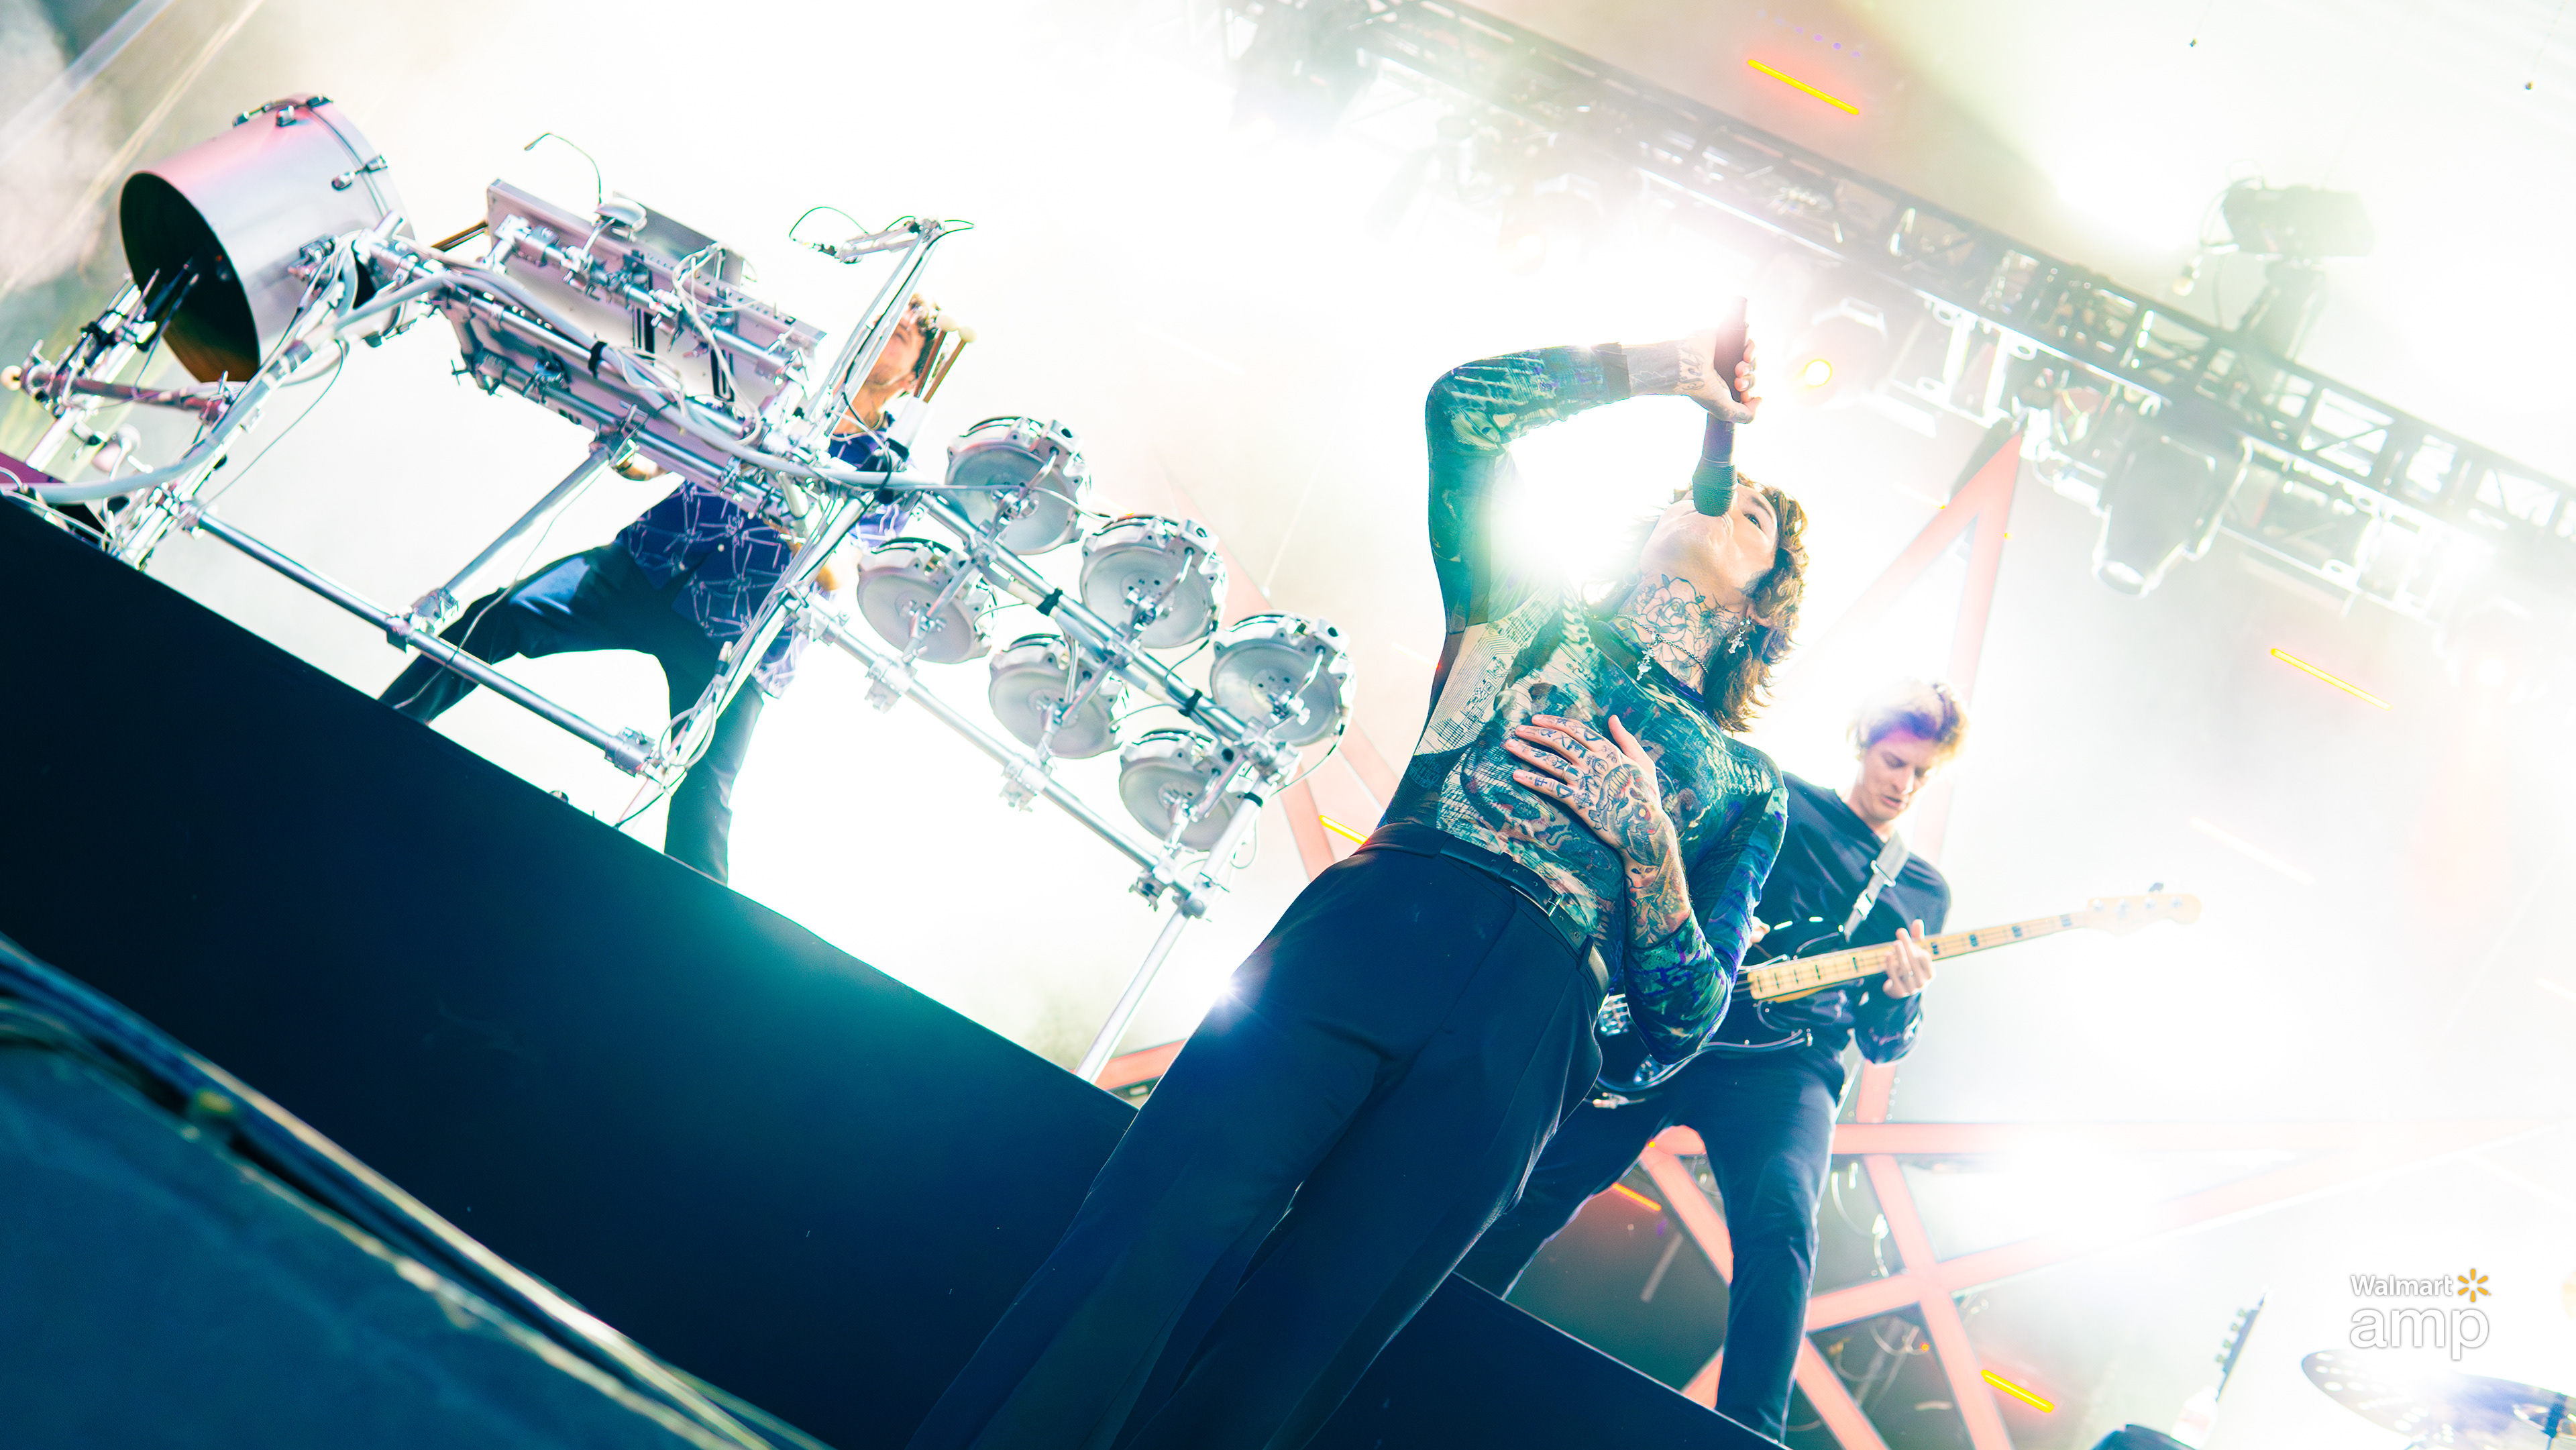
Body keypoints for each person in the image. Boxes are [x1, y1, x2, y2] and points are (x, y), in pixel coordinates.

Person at [904, 324, 1809, 1450]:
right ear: (1659, 518)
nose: (1730, 504)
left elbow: (1683, 1025)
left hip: (1533, 1029)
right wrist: (1663, 370)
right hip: (1387, 918)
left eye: (1761, 521)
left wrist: (1652, 851)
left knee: (1301, 1349)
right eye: (1717, 494)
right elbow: (1463, 410)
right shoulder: (1529, 608)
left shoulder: (1748, 786)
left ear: (1764, 604)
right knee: (1154, 1227)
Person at [1455, 678, 1968, 1440]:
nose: (1906, 784)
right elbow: (1682, 887)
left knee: (1783, 1226)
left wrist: (1902, 994)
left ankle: (1750, 1431)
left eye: (1923, 773)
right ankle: (1440, 1314)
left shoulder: (1924, 890)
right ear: (1864, 744)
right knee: (1552, 1174)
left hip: (1790, 1068)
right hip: (1695, 1017)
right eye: (1897, 762)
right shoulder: (1782, 801)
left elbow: (1883, 1042)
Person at [378, 305, 942, 882]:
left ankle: (687, 926)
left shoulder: (889, 471)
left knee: (705, 794)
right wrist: (631, 457)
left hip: (739, 636)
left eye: (900, 336)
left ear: (912, 378)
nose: (883, 336)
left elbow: (839, 574)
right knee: (502, 615)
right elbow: (670, 459)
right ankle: (379, 730)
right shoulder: (780, 400)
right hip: (648, 564)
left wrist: (796, 512)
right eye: (882, 324)